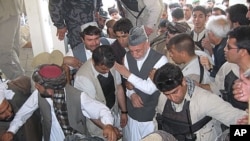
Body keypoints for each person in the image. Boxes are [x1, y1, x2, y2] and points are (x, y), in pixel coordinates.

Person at [1, 63, 118, 141]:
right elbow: (23, 113)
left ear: (49, 89)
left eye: (38, 85)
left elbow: (101, 109)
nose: (36, 87)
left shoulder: (77, 96)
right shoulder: (38, 95)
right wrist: (11, 131)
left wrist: (108, 125)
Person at [153, 63, 248, 141]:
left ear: (183, 82)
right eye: (167, 94)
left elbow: (238, 119)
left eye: (175, 92)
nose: (172, 98)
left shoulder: (206, 100)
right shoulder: (162, 99)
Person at [114, 26, 168, 141]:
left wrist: (127, 74)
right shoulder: (127, 57)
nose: (134, 55)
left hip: (150, 116)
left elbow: (150, 88)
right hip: (132, 114)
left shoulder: (161, 60)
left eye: (138, 50)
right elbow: (127, 85)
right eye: (131, 51)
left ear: (147, 45)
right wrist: (132, 94)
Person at [74, 45, 127, 140]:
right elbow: (89, 110)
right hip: (97, 124)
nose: (107, 71)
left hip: (114, 113)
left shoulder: (111, 64)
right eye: (103, 69)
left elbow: (118, 87)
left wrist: (124, 111)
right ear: (94, 62)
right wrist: (108, 128)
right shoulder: (83, 78)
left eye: (109, 68)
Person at [198, 26, 250, 111]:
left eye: (229, 47)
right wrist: (197, 85)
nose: (225, 49)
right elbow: (216, 88)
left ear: (243, 52)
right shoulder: (228, 66)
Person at [0, 76, 42, 141]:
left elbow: (30, 79)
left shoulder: (16, 87)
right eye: (2, 113)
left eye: (8, 107)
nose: (9, 113)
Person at [0, 0, 25, 80]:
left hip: (6, 11)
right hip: (10, 9)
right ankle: (21, 82)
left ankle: (20, 83)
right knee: (10, 51)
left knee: (4, 54)